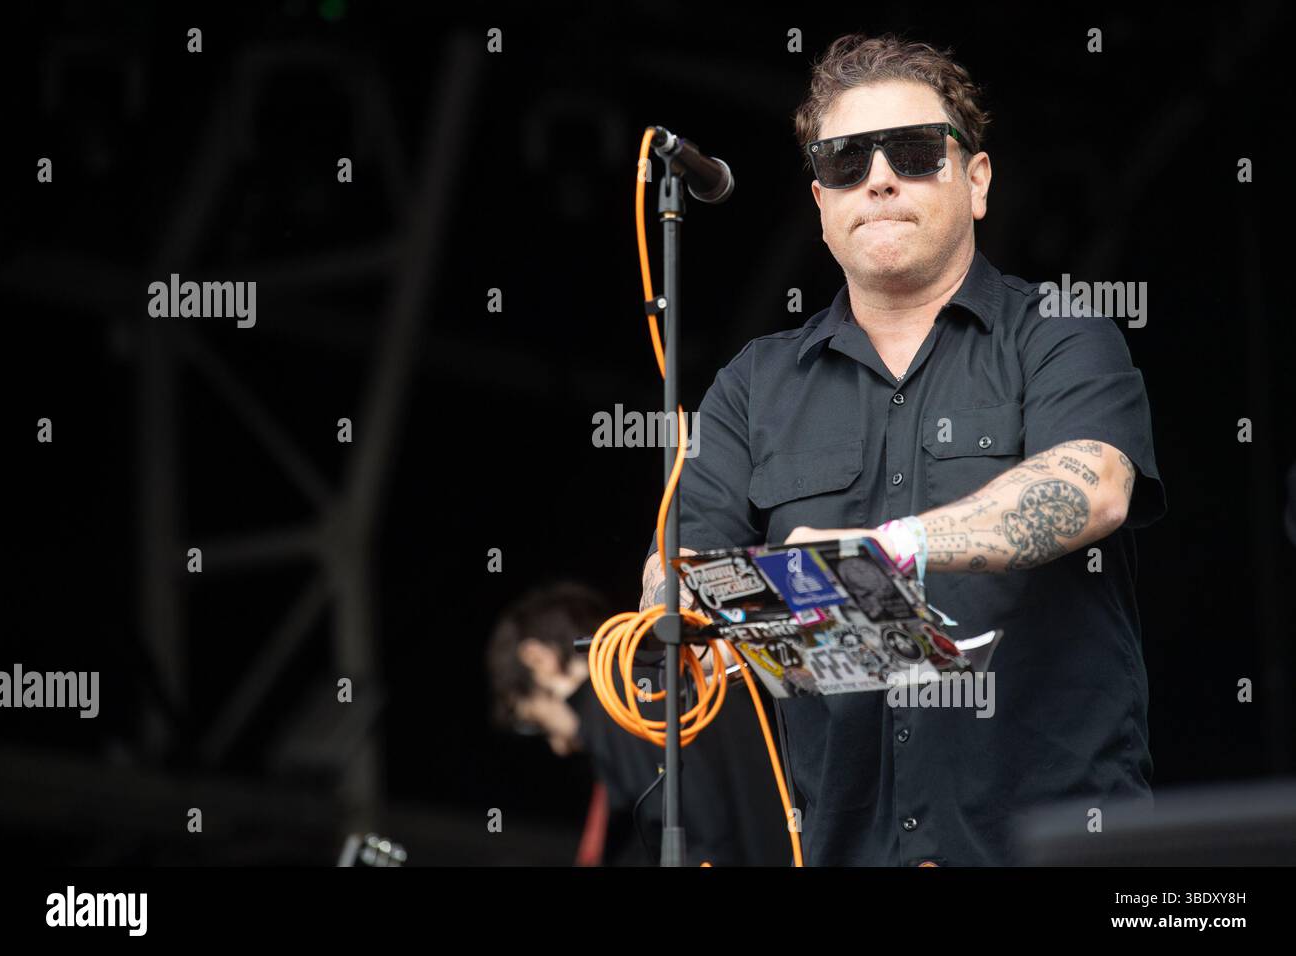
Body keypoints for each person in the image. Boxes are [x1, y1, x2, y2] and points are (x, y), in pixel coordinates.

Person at [641, 32, 1167, 866]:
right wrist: (760, 606)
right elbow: (677, 575)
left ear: (978, 181)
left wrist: (880, 558)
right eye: (847, 162)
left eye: (916, 152)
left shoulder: (1062, 330)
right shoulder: (753, 382)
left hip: (1054, 848)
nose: (879, 177)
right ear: (820, 203)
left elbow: (1093, 486)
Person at [486, 581, 789, 865]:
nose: (557, 747)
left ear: (537, 658)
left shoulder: (621, 697)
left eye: (534, 724)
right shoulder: (650, 673)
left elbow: (699, 834)